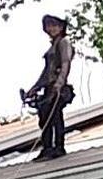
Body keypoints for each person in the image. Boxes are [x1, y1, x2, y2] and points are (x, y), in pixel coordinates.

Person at [25, 14, 75, 161]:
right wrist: (35, 87)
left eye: (54, 25)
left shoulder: (64, 42)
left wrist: (59, 84)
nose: (51, 28)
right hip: (48, 86)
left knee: (54, 116)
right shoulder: (52, 47)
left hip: (58, 86)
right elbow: (46, 71)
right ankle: (47, 147)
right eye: (48, 26)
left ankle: (58, 147)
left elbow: (66, 64)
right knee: (44, 117)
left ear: (61, 27)